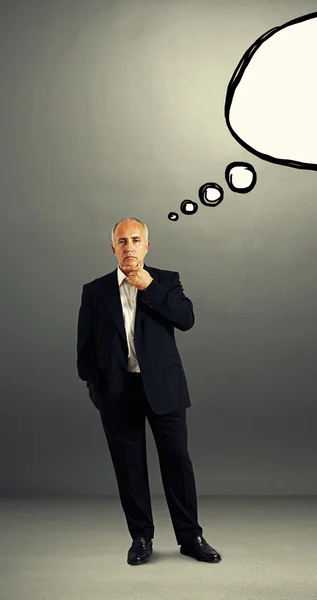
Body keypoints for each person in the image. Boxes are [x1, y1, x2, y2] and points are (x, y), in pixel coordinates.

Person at [76, 217, 221, 566]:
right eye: (122, 241)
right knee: (129, 468)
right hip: (117, 391)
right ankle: (141, 538)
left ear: (147, 245)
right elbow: (84, 348)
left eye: (135, 240)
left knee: (177, 463)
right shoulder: (95, 291)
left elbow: (186, 319)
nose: (129, 247)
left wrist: (149, 286)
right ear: (113, 247)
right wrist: (97, 388)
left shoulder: (166, 281)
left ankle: (191, 538)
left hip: (163, 388)